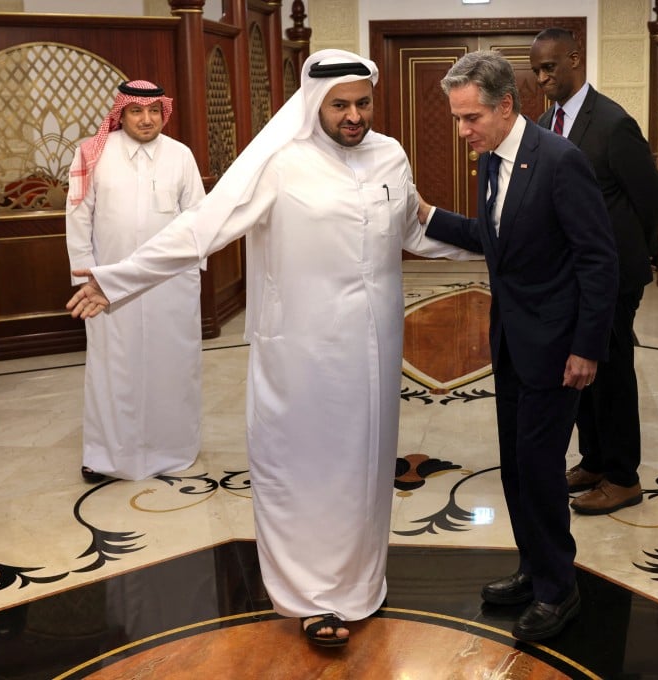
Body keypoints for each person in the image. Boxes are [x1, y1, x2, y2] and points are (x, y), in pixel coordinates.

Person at [65, 49, 476, 646]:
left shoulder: (390, 154)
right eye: (340, 105)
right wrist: (115, 279)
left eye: (363, 103)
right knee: (304, 470)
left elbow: (414, 229)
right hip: (302, 351)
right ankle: (308, 596)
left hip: (375, 352)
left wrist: (506, 247)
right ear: (315, 104)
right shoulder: (280, 164)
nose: (354, 115)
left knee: (363, 470)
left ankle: (360, 584)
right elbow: (199, 229)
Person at [417, 51, 618, 641]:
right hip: (511, 343)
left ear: (506, 105)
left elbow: (598, 260)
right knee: (517, 471)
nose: (462, 132)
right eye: (456, 118)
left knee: (540, 472)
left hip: (558, 351)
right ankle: (534, 570)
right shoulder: (492, 161)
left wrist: (587, 347)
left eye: (470, 117)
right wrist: (428, 216)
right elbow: (495, 237)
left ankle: (560, 591)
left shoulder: (561, 162)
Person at [530, 28, 658, 515]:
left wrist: (635, 257)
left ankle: (624, 476)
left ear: (574, 59)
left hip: (613, 274)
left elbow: (650, 199)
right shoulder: (546, 122)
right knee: (581, 371)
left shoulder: (612, 122)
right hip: (572, 274)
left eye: (551, 67)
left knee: (611, 373)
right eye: (538, 70)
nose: (544, 77)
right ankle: (593, 460)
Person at [66, 80, 206, 483]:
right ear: (121, 113)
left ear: (164, 112)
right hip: (107, 288)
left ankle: (173, 449)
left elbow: (198, 219)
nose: (146, 120)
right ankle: (106, 456)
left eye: (153, 112)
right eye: (136, 111)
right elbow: (77, 216)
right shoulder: (93, 153)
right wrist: (84, 274)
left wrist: (193, 271)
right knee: (114, 370)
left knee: (172, 367)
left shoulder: (180, 155)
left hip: (171, 286)